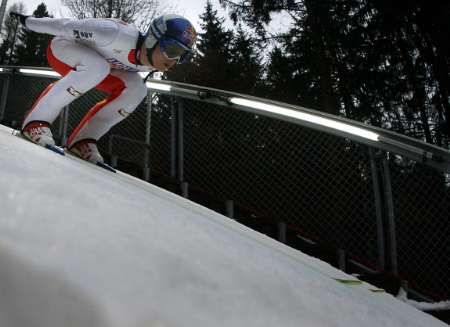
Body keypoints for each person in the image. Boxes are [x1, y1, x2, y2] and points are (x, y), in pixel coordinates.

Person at [10, 12, 197, 164]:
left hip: (98, 65)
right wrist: (27, 21)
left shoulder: (150, 61)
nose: (174, 61)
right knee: (98, 67)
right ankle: (36, 123)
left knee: (137, 89)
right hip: (62, 48)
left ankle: (83, 140)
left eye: (183, 56)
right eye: (173, 51)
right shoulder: (114, 34)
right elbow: (64, 25)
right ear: (153, 39)